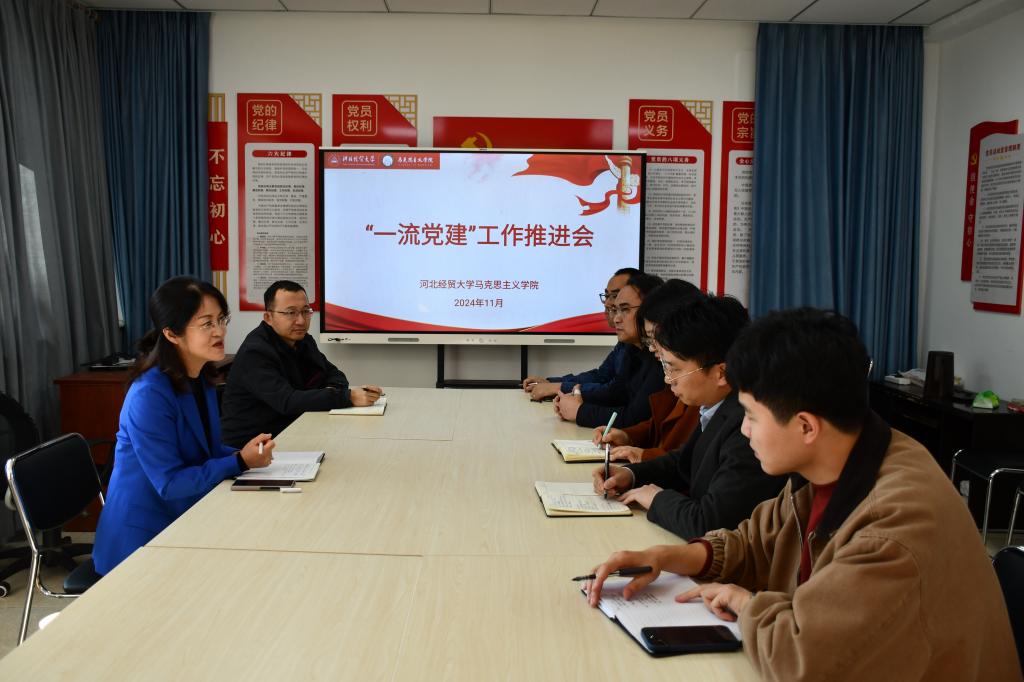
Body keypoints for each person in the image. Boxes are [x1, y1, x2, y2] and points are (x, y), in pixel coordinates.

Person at [586, 308, 1022, 682]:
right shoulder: (837, 460)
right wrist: (667, 557)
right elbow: (755, 543)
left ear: (806, 426)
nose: (743, 430)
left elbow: (804, 660)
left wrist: (748, 605)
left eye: (752, 417)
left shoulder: (894, 527)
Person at [93, 277, 274, 575]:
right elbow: (170, 483)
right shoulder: (149, 394)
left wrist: (247, 454)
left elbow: (206, 449)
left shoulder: (200, 376)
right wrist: (240, 461)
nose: (220, 331)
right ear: (172, 334)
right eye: (206, 324)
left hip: (185, 518)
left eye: (221, 319)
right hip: (141, 540)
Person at [592, 292, 784, 538]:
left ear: (721, 373)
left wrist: (657, 499)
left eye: (673, 368)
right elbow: (684, 463)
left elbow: (710, 522)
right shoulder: (717, 406)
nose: (667, 379)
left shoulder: (746, 426)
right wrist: (631, 475)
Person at [221, 280, 382, 448]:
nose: (301, 321)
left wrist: (332, 392)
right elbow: (287, 401)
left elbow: (334, 375)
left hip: (293, 429)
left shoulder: (303, 341)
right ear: (268, 317)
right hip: (252, 447)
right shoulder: (255, 352)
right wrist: (347, 397)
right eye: (291, 313)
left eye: (305, 312)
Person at [591, 278, 702, 462]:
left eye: (654, 338)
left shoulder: (696, 377)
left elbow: (688, 461)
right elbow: (659, 424)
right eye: (649, 338)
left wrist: (643, 455)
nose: (651, 347)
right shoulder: (671, 367)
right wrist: (627, 436)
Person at [554, 272, 665, 429]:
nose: (616, 319)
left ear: (650, 311)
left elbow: (634, 418)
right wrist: (573, 400)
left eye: (625, 309)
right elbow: (616, 394)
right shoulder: (632, 349)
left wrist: (579, 411)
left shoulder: (660, 359)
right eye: (616, 310)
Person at [521, 267, 639, 402]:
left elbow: (614, 393)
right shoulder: (625, 342)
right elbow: (601, 377)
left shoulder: (642, 348)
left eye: (615, 296)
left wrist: (559, 388)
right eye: (607, 296)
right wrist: (552, 383)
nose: (607, 303)